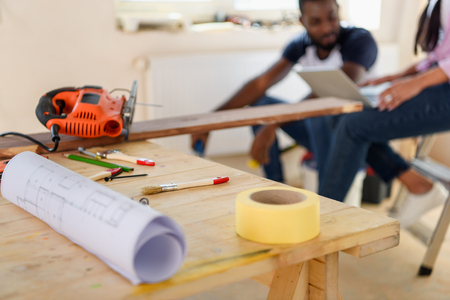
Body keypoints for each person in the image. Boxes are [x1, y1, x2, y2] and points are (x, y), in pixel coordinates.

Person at [191, 0, 378, 184]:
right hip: (317, 132)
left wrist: (273, 123)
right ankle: (275, 187)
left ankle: (328, 195)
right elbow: (260, 84)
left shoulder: (360, 41)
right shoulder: (301, 44)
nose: (326, 28)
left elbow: (332, 92)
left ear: (338, 11)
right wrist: (211, 121)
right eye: (315, 22)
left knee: (320, 116)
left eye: (332, 18)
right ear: (302, 21)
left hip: (353, 140)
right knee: (261, 105)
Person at [319, 0, 450, 228]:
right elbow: (439, 56)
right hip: (437, 80)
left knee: (353, 126)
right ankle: (417, 185)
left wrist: (417, 83)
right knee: (341, 115)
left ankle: (321, 220)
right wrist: (395, 77)